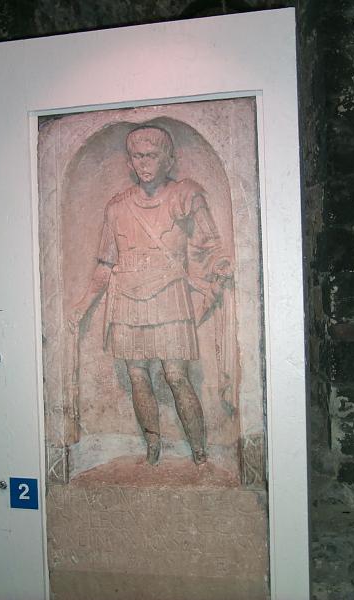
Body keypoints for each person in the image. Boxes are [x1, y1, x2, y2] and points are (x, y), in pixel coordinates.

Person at [69, 125, 232, 465]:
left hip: (170, 295)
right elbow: (105, 264)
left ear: (168, 160)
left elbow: (212, 245)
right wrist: (83, 304)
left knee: (175, 375)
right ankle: (153, 447)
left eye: (152, 156)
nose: (144, 163)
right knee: (137, 375)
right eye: (138, 156)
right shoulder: (116, 207)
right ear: (130, 162)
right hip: (127, 299)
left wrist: (221, 267)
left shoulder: (185, 195)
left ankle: (199, 451)